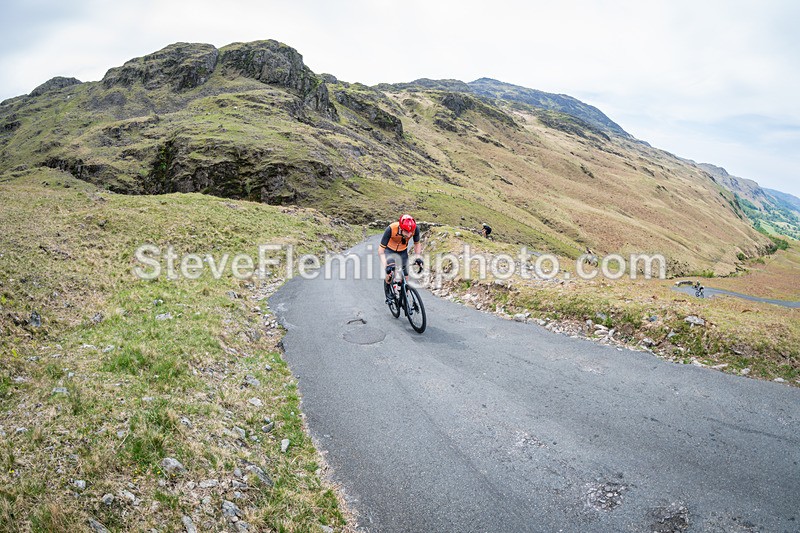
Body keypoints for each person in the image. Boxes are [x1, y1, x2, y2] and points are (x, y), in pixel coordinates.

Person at [379, 214, 423, 303]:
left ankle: (404, 298)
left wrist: (417, 257)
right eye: (407, 232)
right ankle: (388, 290)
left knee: (406, 277)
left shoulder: (415, 229)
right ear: (401, 228)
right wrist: (386, 266)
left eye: (411, 231)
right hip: (389, 251)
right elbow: (381, 250)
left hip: (402, 252)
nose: (410, 234)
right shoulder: (391, 229)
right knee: (390, 273)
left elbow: (417, 243)